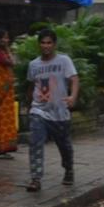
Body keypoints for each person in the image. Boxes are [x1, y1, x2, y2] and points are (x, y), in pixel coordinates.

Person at [26, 28, 79, 192]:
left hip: (59, 112)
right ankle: (36, 178)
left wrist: (72, 97)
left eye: (49, 43)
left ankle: (68, 168)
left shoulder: (64, 61)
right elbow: (30, 85)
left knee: (64, 145)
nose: (46, 46)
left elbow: (74, 79)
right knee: (35, 143)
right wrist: (30, 103)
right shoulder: (33, 64)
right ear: (39, 45)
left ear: (54, 44)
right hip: (39, 111)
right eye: (43, 42)